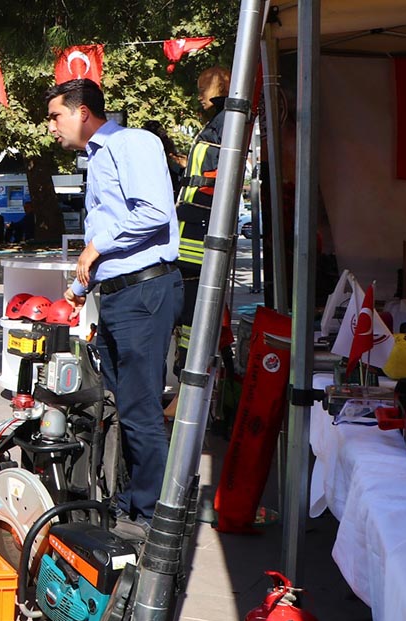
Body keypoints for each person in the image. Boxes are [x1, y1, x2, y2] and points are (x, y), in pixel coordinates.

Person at [51, 78, 184, 534]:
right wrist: (79, 286)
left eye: (56, 116)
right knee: (125, 406)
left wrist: (94, 249)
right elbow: (111, 228)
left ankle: (156, 515)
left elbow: (153, 212)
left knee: (142, 408)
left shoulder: (132, 143)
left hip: (144, 293)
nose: (51, 127)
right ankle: (138, 497)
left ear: (83, 111)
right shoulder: (98, 157)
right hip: (121, 294)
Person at [169, 67, 232, 418]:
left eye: (201, 86)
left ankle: (188, 394)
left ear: (220, 84)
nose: (197, 94)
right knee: (188, 319)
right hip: (191, 230)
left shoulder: (226, 122)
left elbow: (217, 177)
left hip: (199, 234)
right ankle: (185, 392)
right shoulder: (217, 123)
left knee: (192, 319)